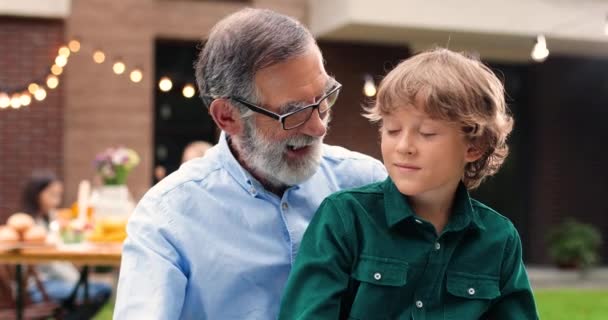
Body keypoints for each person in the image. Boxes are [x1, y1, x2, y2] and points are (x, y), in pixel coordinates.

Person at [114, 8, 387, 319]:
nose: (318, 127)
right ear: (227, 116)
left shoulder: (366, 183)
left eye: (323, 100)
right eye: (293, 113)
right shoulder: (167, 217)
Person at [279, 48, 539, 319]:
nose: (403, 147)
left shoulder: (499, 239)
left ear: (474, 146)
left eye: (427, 133)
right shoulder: (344, 219)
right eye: (391, 130)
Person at [20, 170, 112, 318]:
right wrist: (75, 279)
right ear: (37, 194)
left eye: (59, 195)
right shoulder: (30, 226)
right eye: (52, 195)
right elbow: (49, 264)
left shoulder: (53, 220)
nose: (56, 201)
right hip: (39, 287)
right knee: (99, 291)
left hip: (54, 281)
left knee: (101, 289)